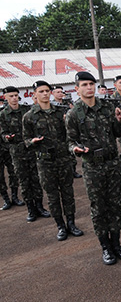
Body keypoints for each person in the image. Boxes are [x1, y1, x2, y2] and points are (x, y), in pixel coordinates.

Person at [66, 72, 121, 265]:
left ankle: (117, 244)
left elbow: (118, 133)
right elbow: (70, 141)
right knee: (98, 207)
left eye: (91, 84)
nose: (89, 87)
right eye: (84, 85)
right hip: (92, 165)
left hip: (112, 163)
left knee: (114, 204)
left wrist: (120, 120)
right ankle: (105, 247)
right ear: (77, 89)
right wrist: (75, 149)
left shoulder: (107, 108)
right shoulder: (73, 114)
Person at [22, 80, 84, 241]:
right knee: (52, 196)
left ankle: (71, 223)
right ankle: (61, 226)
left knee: (68, 193)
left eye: (46, 91)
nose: (44, 94)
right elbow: (26, 140)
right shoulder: (29, 117)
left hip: (63, 159)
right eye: (40, 91)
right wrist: (33, 141)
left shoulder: (60, 112)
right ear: (34, 94)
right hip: (45, 162)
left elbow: (71, 133)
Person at [0, 86, 48, 220]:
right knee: (24, 181)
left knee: (36, 179)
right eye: (11, 96)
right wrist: (7, 137)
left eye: (16, 95)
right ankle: (31, 209)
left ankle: (40, 206)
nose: (14, 98)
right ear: (6, 98)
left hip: (31, 150)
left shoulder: (27, 110)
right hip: (17, 152)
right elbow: (3, 133)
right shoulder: (3, 114)